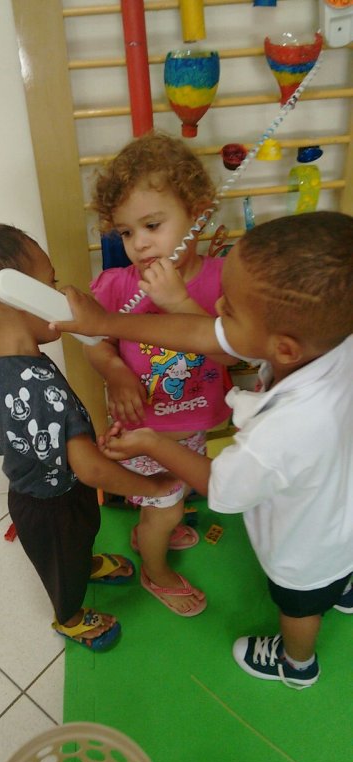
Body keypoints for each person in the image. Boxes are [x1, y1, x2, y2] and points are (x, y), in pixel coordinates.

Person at [52, 210, 353, 687]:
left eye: (228, 310)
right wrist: (105, 321)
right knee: (338, 572)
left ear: (284, 348)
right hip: (343, 514)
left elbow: (220, 486)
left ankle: (296, 664)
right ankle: (343, 587)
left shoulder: (284, 431)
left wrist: (151, 441)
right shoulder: (332, 340)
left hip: (307, 547)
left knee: (299, 605)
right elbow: (200, 333)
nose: (217, 309)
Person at [0, 221, 178, 653]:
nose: (62, 294)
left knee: (77, 544)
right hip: (51, 504)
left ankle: (84, 563)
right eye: (50, 284)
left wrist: (79, 439)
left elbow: (41, 432)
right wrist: (151, 487)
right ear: (16, 297)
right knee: (63, 567)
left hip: (46, 490)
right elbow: (91, 469)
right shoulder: (34, 384)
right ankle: (70, 618)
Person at [83, 131, 235, 616]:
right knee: (165, 507)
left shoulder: (224, 280)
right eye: (127, 233)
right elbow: (94, 340)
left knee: (176, 492)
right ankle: (156, 568)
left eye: (152, 225)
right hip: (144, 431)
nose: (139, 244)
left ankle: (158, 521)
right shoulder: (115, 286)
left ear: (198, 214)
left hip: (194, 425)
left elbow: (232, 356)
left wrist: (180, 303)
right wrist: (115, 372)